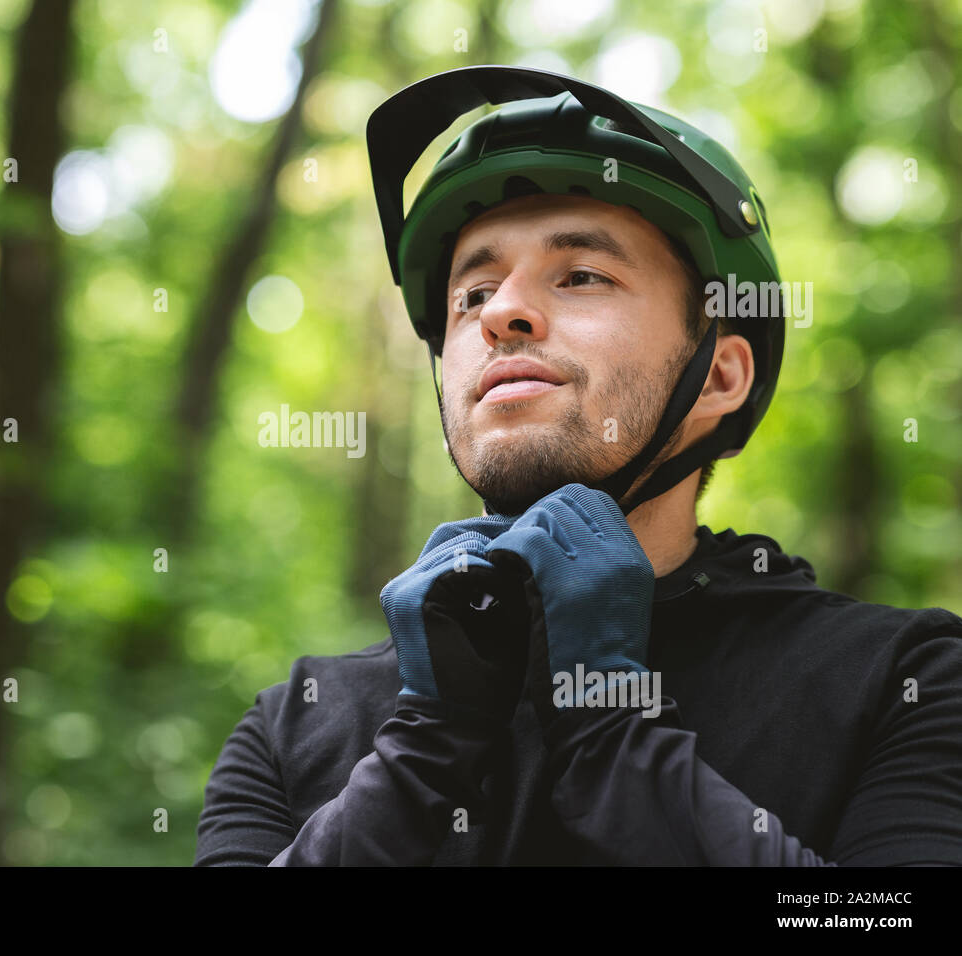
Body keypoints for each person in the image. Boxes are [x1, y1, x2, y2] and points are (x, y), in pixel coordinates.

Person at [193, 66, 962, 866]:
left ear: (721, 376)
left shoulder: (900, 681)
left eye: (582, 275)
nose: (499, 313)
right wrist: (423, 754)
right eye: (471, 294)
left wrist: (611, 733)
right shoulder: (296, 720)